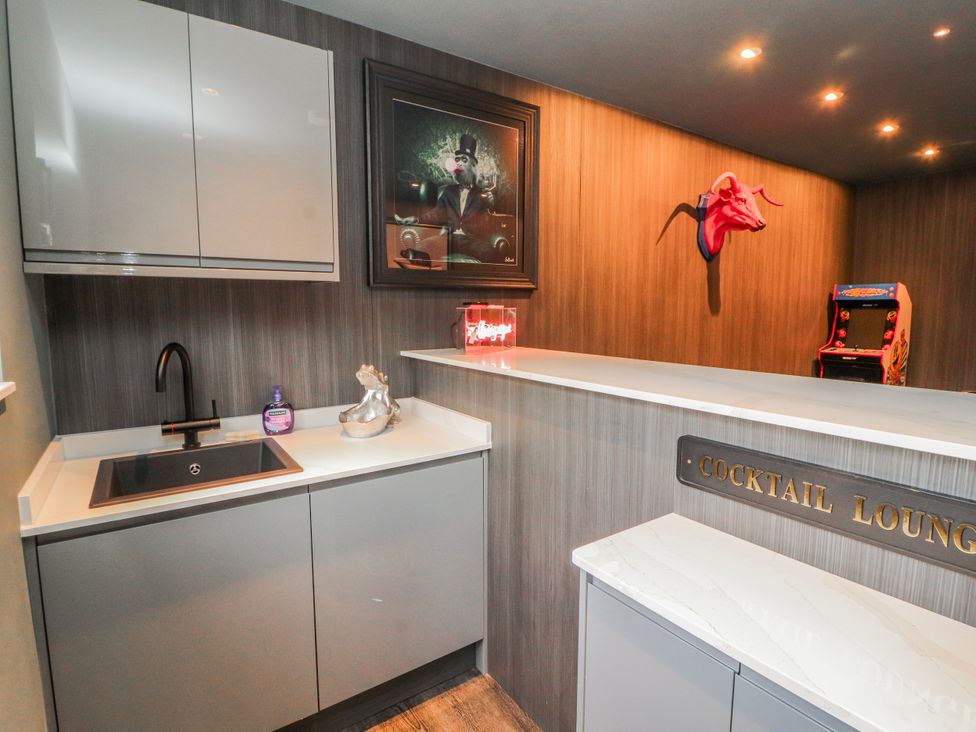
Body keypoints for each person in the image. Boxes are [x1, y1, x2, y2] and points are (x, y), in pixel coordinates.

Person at [397, 134, 502, 263]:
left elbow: (487, 224)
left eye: (464, 159)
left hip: (471, 241)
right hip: (449, 239)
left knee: (491, 254)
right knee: (423, 246)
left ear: (473, 165)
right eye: (457, 159)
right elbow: (435, 214)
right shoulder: (448, 191)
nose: (458, 163)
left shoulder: (480, 194)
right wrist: (417, 219)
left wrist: (490, 206)